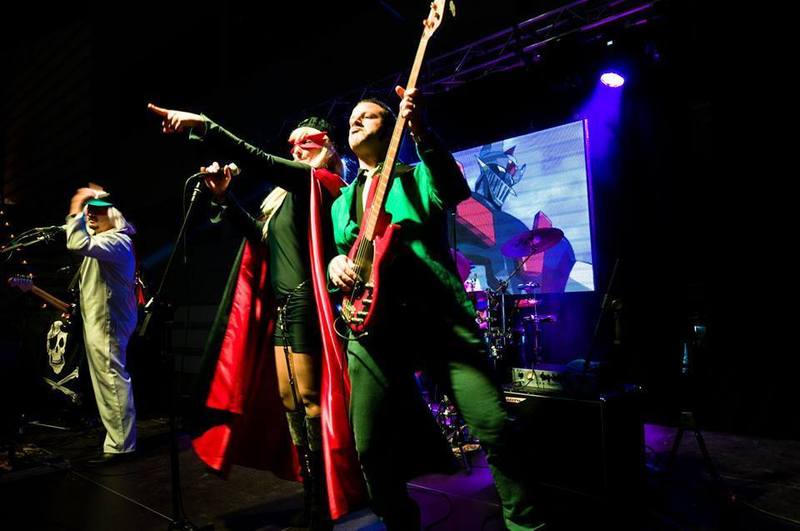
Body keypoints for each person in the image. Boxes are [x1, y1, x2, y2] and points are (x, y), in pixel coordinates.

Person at [327, 87, 543, 530]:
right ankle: (401, 522)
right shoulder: (340, 204)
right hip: (373, 331)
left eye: (368, 115)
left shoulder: (419, 176)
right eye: (352, 117)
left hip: (439, 323)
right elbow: (346, 258)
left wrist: (421, 130)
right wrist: (335, 266)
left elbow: (453, 187)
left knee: (495, 426)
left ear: (392, 129)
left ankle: (526, 524)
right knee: (369, 447)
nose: (356, 120)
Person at [147, 104, 364, 528]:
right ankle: (311, 495)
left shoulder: (319, 182)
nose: (297, 149)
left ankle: (324, 500)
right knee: (289, 402)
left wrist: (206, 125)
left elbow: (258, 158)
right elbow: (259, 240)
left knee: (310, 401)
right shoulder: (284, 198)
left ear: (326, 147)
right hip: (282, 306)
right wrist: (224, 198)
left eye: (307, 143)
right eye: (293, 144)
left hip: (306, 301)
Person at [66, 189, 138, 464]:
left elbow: (76, 243)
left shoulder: (116, 241)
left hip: (109, 321)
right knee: (106, 379)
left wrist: (77, 204)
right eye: (89, 209)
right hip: (103, 319)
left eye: (99, 210)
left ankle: (121, 446)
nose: (91, 214)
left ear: (115, 216)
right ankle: (118, 439)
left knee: (111, 378)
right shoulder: (105, 240)